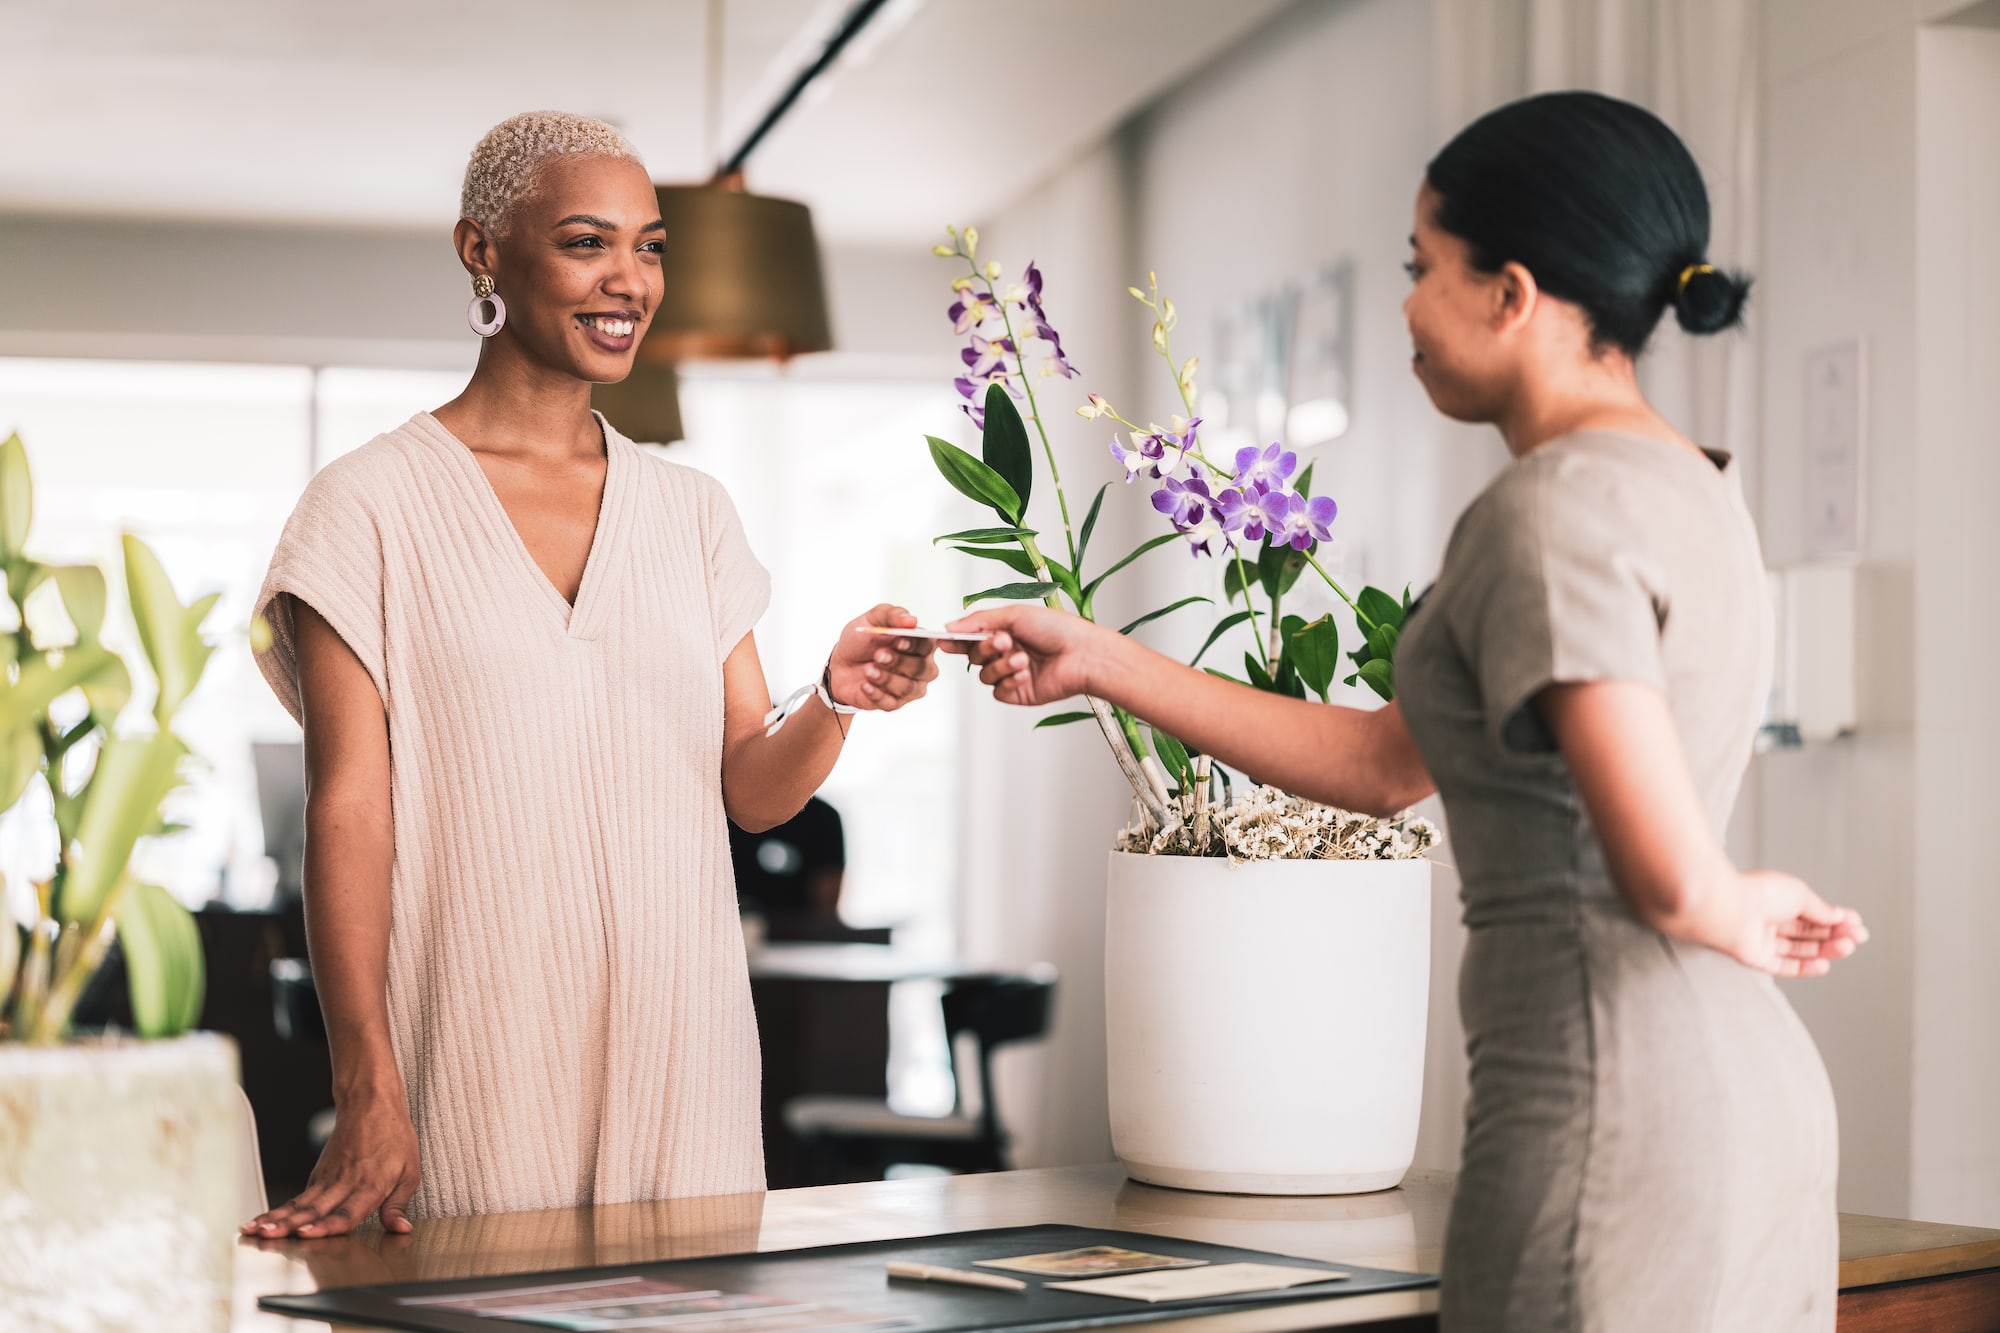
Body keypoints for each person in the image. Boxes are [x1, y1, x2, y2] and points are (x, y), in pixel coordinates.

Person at [949, 91, 1865, 1331]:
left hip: (1613, 1112)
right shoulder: (1690, 485)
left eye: (1419, 265)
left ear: (1512, 293)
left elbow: (1662, 875)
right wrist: (1102, 660)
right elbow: (1388, 763)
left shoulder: (1548, 513)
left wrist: (1727, 898)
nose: (1403, 305)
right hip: (1742, 1103)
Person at [244, 111, 939, 1237]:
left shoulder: (691, 512)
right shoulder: (364, 506)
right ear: (482, 251)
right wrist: (365, 1077)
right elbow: (350, 811)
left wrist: (832, 695)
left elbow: (752, 791)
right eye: (585, 242)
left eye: (651, 245)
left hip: (689, 1071)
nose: (630, 279)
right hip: (475, 1062)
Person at [729, 795, 846, 925]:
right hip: (733, 927)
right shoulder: (724, 812)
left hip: (800, 935)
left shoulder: (824, 818)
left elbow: (827, 907)